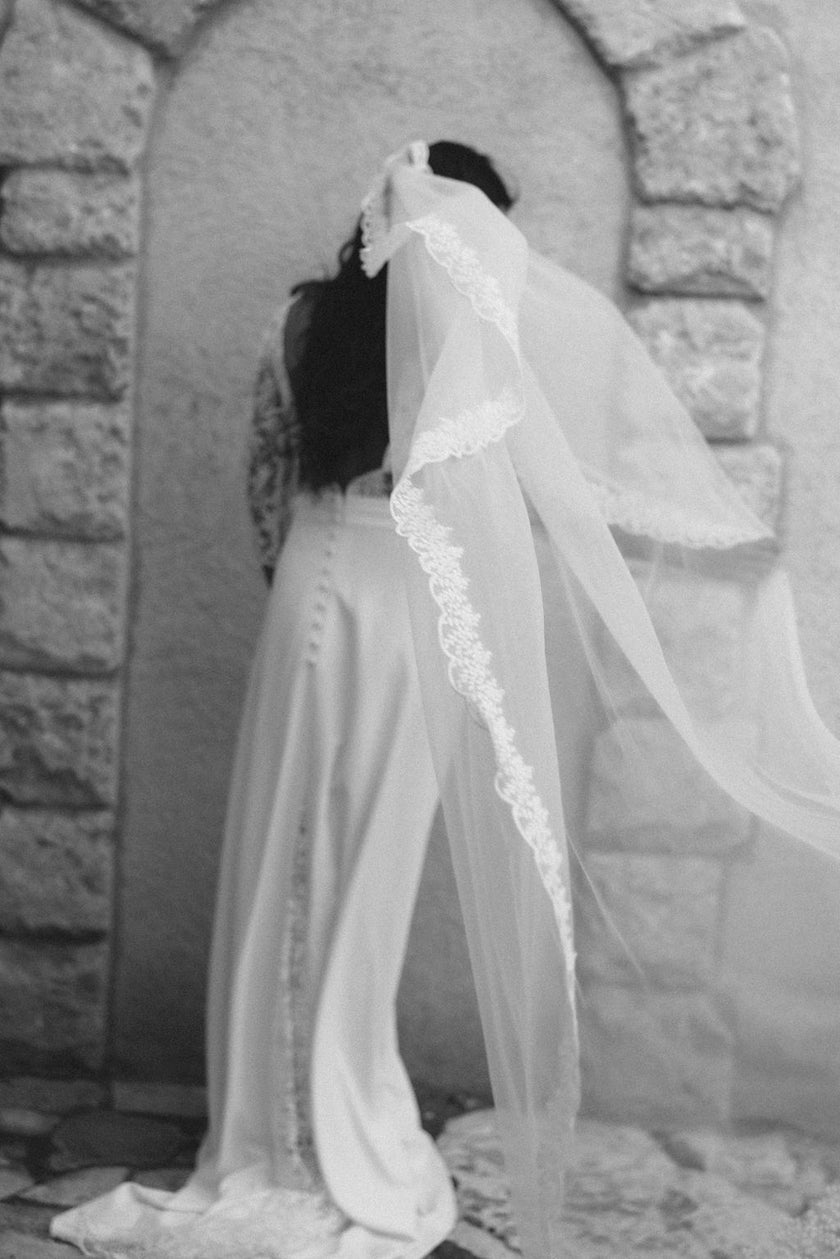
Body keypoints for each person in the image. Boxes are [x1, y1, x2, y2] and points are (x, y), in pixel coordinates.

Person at [52, 140, 840, 1259]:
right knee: (368, 870)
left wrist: (304, 587)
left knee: (280, 850)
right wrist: (714, 546)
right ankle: (334, 1112)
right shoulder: (468, 342)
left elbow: (265, 491)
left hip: (310, 600)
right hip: (418, 612)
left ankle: (262, 1128)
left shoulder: (297, 326)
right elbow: (539, 497)